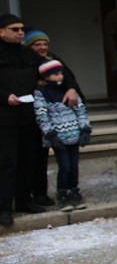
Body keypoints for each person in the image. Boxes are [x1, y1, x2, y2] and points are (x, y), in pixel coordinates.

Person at [23, 29, 83, 207]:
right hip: (34, 117)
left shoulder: (53, 60)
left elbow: (69, 79)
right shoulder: (24, 61)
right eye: (37, 44)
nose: (42, 47)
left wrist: (71, 88)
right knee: (32, 159)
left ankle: (47, 193)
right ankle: (32, 194)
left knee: (57, 163)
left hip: (60, 123)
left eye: (45, 44)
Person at [0, 14, 50, 225]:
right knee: (7, 163)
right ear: (2, 32)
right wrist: (4, 97)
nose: (20, 32)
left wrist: (71, 87)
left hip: (29, 116)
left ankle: (23, 200)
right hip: (4, 118)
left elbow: (54, 69)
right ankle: (4, 207)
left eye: (21, 29)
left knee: (28, 160)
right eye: (15, 29)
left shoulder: (28, 53)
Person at [32, 59, 91, 212]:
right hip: (59, 138)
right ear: (46, 76)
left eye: (61, 73)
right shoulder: (41, 93)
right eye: (56, 74)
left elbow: (80, 110)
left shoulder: (68, 90)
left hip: (74, 134)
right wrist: (51, 135)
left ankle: (74, 191)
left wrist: (85, 129)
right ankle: (63, 193)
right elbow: (41, 116)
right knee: (64, 166)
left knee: (74, 166)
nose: (60, 77)